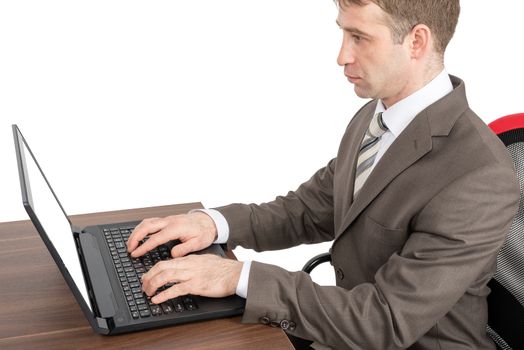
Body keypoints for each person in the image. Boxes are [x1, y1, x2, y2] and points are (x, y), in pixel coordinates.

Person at [127, 0, 520, 348]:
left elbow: (386, 320)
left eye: (359, 38)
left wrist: (239, 277)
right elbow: (310, 208)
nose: (342, 56)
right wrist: (215, 225)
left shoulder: (479, 174)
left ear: (416, 41)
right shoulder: (377, 115)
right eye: (343, 34)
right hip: (343, 329)